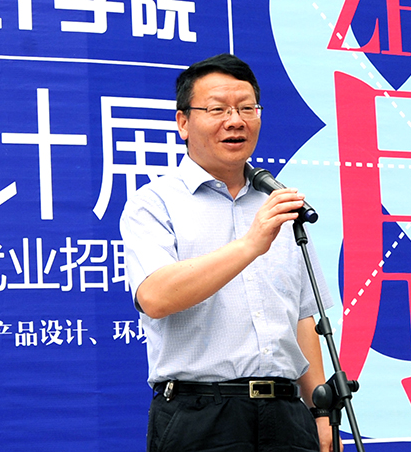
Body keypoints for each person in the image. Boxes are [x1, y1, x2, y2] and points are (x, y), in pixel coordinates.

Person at [120, 53, 336, 452]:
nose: (235, 121)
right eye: (217, 109)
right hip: (201, 415)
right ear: (183, 122)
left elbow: (302, 317)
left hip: (287, 416)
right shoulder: (154, 203)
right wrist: (251, 245)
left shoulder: (277, 203)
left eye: (247, 108)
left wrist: (320, 412)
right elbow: (155, 297)